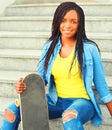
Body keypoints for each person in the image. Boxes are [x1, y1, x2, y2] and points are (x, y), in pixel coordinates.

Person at [1, 2, 112, 130]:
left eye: (73, 21)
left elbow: (102, 87)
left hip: (82, 102)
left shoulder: (89, 49)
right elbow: (40, 80)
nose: (67, 25)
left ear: (80, 24)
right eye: (63, 20)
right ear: (57, 22)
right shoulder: (49, 47)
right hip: (55, 101)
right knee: (11, 112)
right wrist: (25, 86)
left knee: (70, 117)